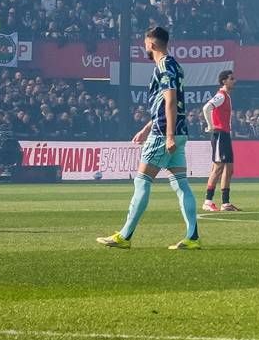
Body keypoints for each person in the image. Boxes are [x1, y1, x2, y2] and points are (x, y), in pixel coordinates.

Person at [101, 25, 202, 250]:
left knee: (142, 180)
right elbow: (165, 102)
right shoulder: (173, 64)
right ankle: (192, 237)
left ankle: (125, 236)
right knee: (180, 183)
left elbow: (170, 100)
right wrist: (147, 127)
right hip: (178, 130)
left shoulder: (164, 65)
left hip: (165, 133)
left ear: (152, 44)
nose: (144, 47)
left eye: (145, 43)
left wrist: (167, 136)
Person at [200, 71, 237, 215]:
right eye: (231, 79)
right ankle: (207, 202)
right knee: (218, 167)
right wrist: (210, 125)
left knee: (229, 168)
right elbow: (206, 107)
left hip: (225, 134)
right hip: (220, 134)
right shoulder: (221, 95)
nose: (234, 81)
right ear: (224, 81)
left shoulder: (226, 96)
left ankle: (225, 203)